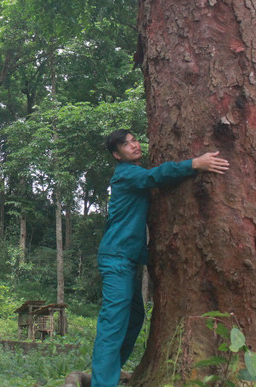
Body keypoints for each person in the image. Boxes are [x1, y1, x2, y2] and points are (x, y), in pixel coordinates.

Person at [90, 129, 229, 387]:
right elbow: (156, 176)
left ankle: (108, 373)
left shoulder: (132, 174)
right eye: (125, 144)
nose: (134, 145)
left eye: (134, 140)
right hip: (116, 258)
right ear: (116, 155)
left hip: (128, 259)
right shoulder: (126, 175)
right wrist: (194, 164)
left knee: (134, 318)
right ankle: (102, 382)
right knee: (113, 324)